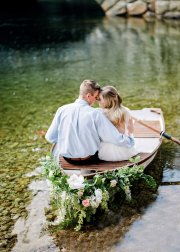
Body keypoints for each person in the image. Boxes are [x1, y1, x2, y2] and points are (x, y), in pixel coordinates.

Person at [45, 80, 135, 165]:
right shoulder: (95, 113)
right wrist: (130, 141)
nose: (96, 100)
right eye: (96, 97)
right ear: (88, 96)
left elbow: (50, 137)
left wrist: (68, 140)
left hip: (67, 159)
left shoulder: (62, 109)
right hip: (88, 159)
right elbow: (114, 138)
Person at [98, 86, 139, 161]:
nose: (98, 101)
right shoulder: (125, 111)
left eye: (100, 99)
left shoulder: (101, 113)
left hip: (106, 153)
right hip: (124, 152)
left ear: (108, 100)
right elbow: (131, 131)